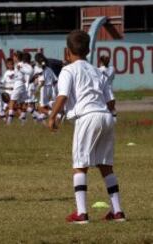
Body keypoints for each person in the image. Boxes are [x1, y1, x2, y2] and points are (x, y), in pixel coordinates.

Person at [49, 30, 125, 224]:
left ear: (67, 52)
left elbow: (62, 95)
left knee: (80, 166)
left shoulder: (68, 70)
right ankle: (117, 212)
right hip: (106, 116)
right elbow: (111, 102)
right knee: (106, 165)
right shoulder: (97, 70)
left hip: (87, 117)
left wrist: (52, 117)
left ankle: (81, 213)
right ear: (88, 50)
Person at [7, 51, 27, 124]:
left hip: (18, 84)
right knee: (23, 102)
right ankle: (23, 119)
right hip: (23, 84)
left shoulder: (18, 65)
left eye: (14, 57)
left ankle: (9, 120)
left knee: (12, 101)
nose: (13, 58)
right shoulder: (22, 64)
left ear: (17, 57)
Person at [99, 55, 116, 120]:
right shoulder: (112, 69)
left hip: (104, 95)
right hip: (111, 95)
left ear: (101, 61)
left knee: (105, 113)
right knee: (113, 111)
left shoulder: (98, 70)